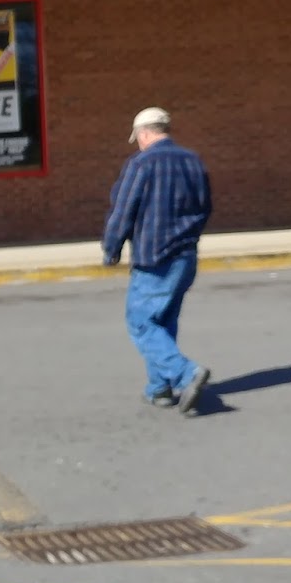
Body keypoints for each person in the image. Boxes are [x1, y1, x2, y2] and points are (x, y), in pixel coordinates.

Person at [102, 106, 212, 412]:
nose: (138, 143)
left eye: (138, 137)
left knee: (140, 322)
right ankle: (159, 388)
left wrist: (111, 248)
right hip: (185, 256)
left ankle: (186, 373)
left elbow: (123, 210)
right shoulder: (193, 161)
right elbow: (206, 207)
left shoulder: (141, 164)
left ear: (144, 133)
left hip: (154, 257)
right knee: (163, 322)